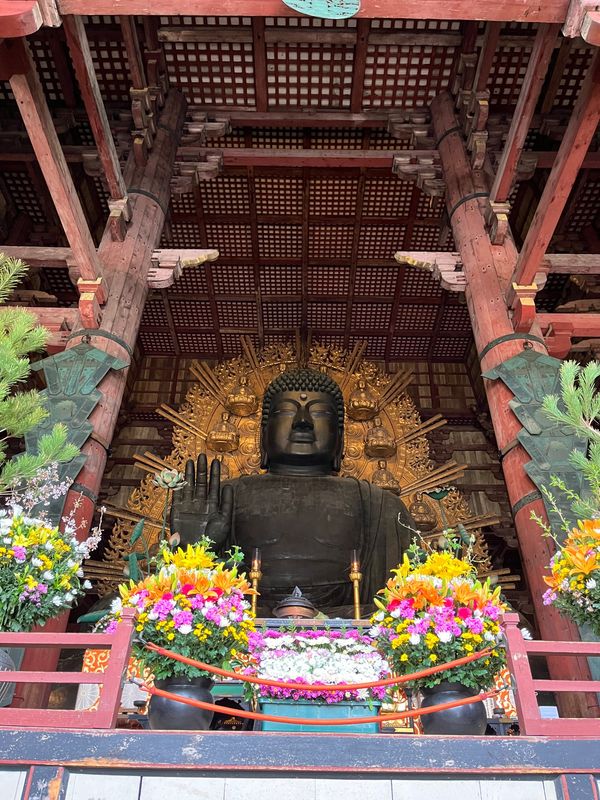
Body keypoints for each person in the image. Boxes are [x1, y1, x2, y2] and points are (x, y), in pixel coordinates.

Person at [170, 368, 414, 613]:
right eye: (286, 411)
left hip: (353, 633)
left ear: (340, 437)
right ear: (263, 434)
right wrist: (193, 550)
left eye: (320, 412)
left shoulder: (382, 507)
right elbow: (186, 602)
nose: (303, 421)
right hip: (238, 631)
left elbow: (400, 604)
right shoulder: (224, 499)